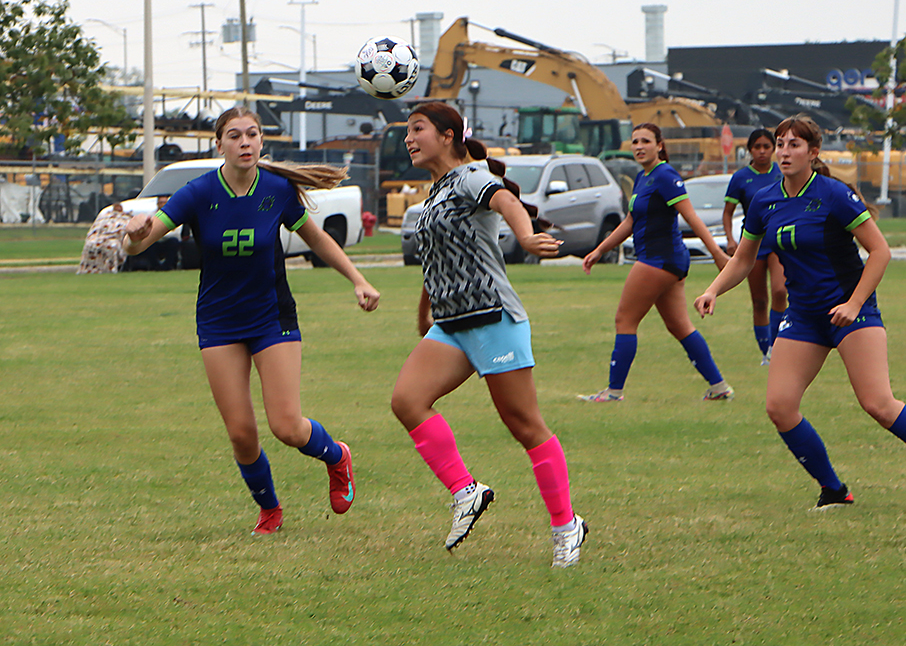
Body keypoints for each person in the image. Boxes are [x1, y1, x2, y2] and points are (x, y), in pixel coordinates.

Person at [694, 114, 906, 512]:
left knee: (878, 404)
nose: (784, 151)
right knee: (779, 407)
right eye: (780, 143)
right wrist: (713, 289)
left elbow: (881, 251)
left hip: (853, 312)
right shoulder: (765, 199)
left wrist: (853, 304)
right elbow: (744, 259)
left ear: (813, 152)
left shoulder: (834, 194)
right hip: (804, 316)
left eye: (793, 145)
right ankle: (834, 490)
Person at [122, 106, 381, 534]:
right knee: (242, 434)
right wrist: (134, 236)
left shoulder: (277, 189)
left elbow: (317, 239)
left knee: (286, 426)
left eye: (252, 135)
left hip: (271, 318)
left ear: (261, 142)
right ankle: (270, 511)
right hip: (219, 321)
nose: (245, 142)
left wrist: (358, 280)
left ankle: (336, 456)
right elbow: (141, 243)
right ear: (219, 144)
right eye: (235, 136)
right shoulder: (197, 192)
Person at [389, 102, 587, 568]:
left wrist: (524, 235)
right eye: (407, 131)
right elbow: (435, 260)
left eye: (418, 129)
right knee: (407, 401)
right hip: (452, 324)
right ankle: (466, 490)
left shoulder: (471, 176)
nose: (409, 139)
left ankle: (566, 527)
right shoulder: (434, 191)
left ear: (448, 135)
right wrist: (427, 311)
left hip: (493, 316)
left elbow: (504, 200)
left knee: (525, 425)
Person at [577, 122, 734, 403]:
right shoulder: (643, 177)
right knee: (680, 327)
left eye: (645, 141)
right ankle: (719, 387)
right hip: (666, 261)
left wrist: (717, 254)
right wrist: (600, 249)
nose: (639, 146)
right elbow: (630, 221)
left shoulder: (665, 175)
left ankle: (613, 393)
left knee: (625, 320)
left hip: (659, 260)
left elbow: (691, 217)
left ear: (659, 145)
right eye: (635, 141)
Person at [722, 129, 786, 364]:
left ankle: (778, 345)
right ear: (749, 150)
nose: (762, 151)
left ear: (773, 149)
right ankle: (765, 352)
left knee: (781, 291)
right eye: (757, 147)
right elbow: (727, 213)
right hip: (754, 243)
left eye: (766, 147)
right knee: (759, 300)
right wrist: (730, 240)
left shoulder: (781, 173)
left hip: (779, 241)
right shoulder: (740, 177)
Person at [78, 202, 132, 274]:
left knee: (112, 246)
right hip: (100, 238)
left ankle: (108, 269)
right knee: (92, 244)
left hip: (110, 240)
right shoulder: (105, 217)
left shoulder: (125, 218)